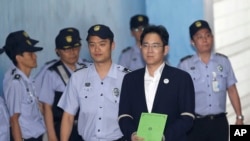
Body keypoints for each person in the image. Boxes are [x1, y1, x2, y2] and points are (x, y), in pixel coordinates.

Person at [118, 25, 195, 141]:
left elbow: (187, 117)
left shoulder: (181, 78)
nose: (149, 50)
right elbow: (124, 115)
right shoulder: (130, 79)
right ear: (140, 48)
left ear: (165, 49)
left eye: (155, 46)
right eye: (145, 45)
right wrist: (132, 134)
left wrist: (164, 137)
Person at [58, 24, 130, 141]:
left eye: (102, 44)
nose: (97, 49)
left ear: (112, 45)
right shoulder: (78, 77)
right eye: (92, 45)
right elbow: (68, 117)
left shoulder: (126, 78)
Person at [177, 20, 244, 141]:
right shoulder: (184, 65)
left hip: (219, 123)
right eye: (200, 37)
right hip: (195, 124)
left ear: (212, 38)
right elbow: (178, 97)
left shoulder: (223, 61)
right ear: (192, 42)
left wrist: (239, 117)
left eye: (207, 35)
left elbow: (232, 90)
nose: (205, 39)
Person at [38, 27, 87, 141]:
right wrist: (52, 136)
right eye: (66, 50)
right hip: (63, 128)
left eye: (75, 47)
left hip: (86, 127)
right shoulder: (52, 73)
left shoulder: (88, 68)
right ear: (57, 51)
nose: (72, 52)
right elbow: (47, 108)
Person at [1, 30, 45, 141]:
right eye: (30, 54)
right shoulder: (15, 83)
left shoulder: (28, 79)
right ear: (19, 58)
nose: (35, 56)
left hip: (38, 134)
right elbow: (14, 120)